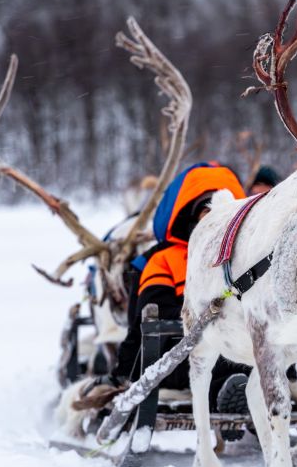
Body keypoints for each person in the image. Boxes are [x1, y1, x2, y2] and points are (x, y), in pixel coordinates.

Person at [84, 162, 253, 427]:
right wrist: (123, 372)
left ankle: (247, 391)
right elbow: (151, 315)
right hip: (180, 354)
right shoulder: (165, 259)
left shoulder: (242, 258)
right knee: (209, 361)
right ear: (192, 216)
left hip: (238, 349)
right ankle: (232, 395)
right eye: (206, 213)